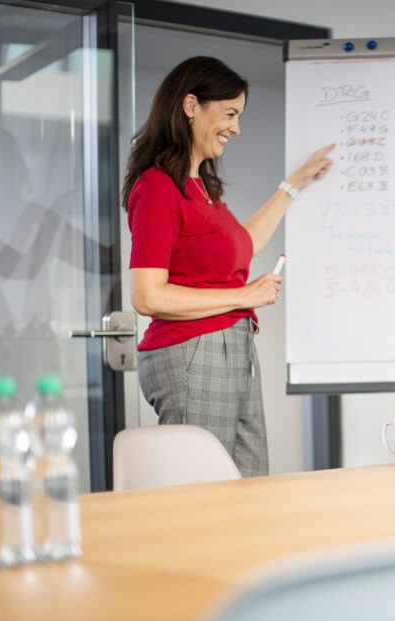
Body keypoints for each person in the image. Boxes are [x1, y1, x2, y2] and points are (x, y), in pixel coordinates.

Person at [122, 56, 334, 477]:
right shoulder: (158, 187)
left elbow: (244, 244)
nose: (236, 128)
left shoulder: (200, 187)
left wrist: (294, 184)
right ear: (190, 106)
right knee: (204, 487)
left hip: (230, 346)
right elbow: (147, 295)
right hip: (193, 349)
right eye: (230, 114)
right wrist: (245, 295)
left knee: (249, 482)